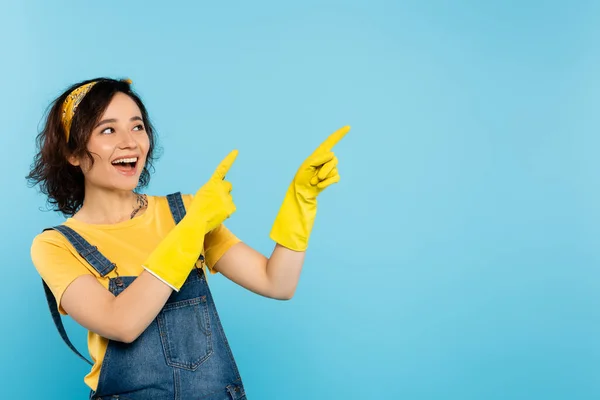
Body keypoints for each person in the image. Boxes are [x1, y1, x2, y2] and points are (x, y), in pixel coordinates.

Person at [27, 77, 348, 399]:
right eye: (107, 130)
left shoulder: (184, 212)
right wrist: (191, 230)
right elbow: (121, 324)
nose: (130, 142)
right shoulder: (57, 245)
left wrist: (301, 201)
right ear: (72, 152)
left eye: (137, 127)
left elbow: (276, 283)